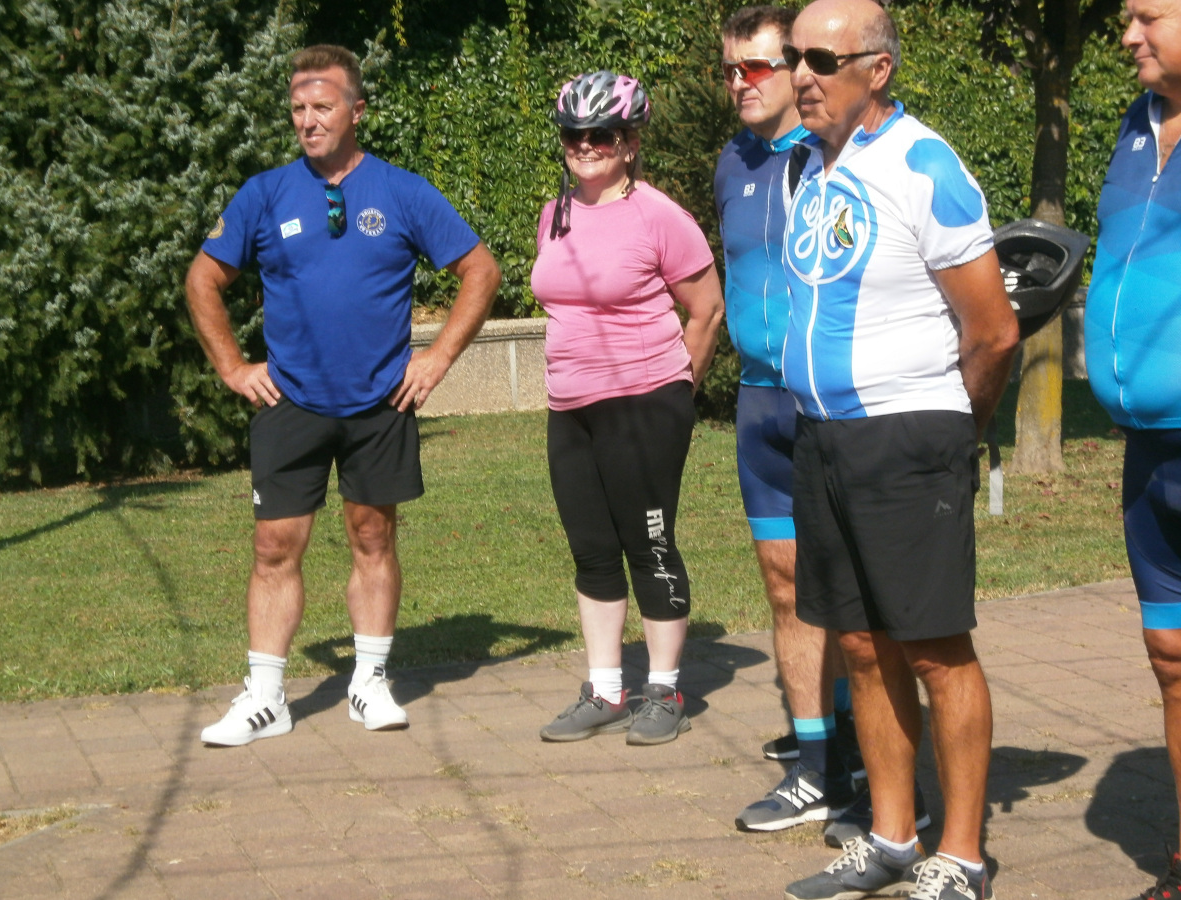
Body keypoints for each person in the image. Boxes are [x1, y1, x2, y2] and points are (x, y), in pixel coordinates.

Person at [185, 44, 501, 747]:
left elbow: (480, 269)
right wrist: (233, 366)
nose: (308, 120)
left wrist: (439, 357)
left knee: (373, 537)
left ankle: (369, 682)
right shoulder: (264, 194)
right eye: (298, 108)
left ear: (357, 111)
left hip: (380, 404)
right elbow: (202, 279)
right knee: (275, 546)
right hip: (290, 403)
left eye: (322, 107)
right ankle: (265, 697)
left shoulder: (403, 192)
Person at [776, 2, 1019, 899]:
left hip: (907, 435)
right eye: (794, 57)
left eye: (821, 59)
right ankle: (891, 837)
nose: (800, 75)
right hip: (823, 437)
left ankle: (962, 856)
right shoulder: (807, 164)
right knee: (859, 642)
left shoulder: (925, 166)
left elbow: (993, 331)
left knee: (933, 650)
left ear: (877, 70)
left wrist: (955, 434)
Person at [532, 71, 724, 746]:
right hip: (570, 406)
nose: (586, 145)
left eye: (602, 135)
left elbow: (707, 309)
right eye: (574, 135)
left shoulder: (658, 216)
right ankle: (606, 690)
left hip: (644, 403)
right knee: (591, 550)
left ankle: (665, 690)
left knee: (649, 544)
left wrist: (675, 394)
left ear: (631, 141)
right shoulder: (554, 212)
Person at [715, 3, 863, 835]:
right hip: (758, 403)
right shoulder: (730, 163)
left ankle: (858, 747)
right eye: (729, 70)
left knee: (846, 589)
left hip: (827, 404)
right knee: (784, 584)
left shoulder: (831, 157)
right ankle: (816, 762)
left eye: (756, 67)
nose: (740, 83)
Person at [1085, 1, 1181, 897]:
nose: (1127, 35)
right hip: (1148, 450)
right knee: (1171, 656)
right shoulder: (1135, 123)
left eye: (1147, 14)